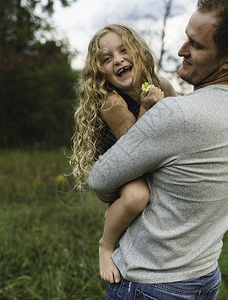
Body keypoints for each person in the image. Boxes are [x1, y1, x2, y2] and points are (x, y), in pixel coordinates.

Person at [88, 0, 228, 299]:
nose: (181, 49)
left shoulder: (177, 114)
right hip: (204, 274)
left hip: (150, 281)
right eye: (186, 36)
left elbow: (100, 180)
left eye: (196, 45)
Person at [70, 24, 177, 284]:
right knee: (136, 196)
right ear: (101, 72)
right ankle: (106, 245)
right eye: (107, 59)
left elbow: (180, 121)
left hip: (149, 156)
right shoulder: (111, 101)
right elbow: (132, 149)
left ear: (138, 52)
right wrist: (146, 108)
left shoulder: (161, 83)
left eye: (123, 50)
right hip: (120, 160)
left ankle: (118, 213)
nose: (117, 59)